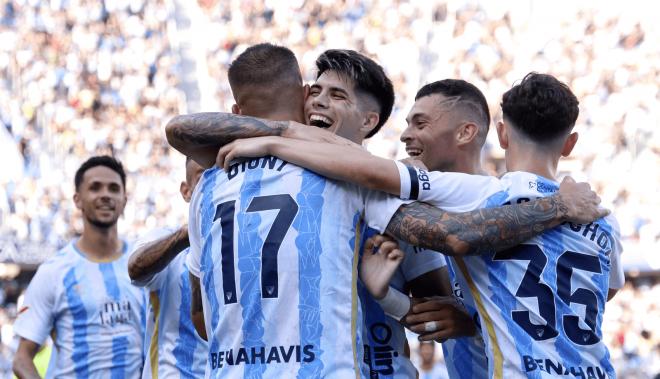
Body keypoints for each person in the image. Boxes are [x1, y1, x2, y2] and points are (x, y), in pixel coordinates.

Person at [167, 44, 607, 378]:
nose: (319, 101)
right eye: (314, 92)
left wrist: (439, 312)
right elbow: (459, 237)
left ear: (369, 121)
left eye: (337, 95)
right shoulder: (343, 185)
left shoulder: (214, 187)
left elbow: (439, 306)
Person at [12, 156, 146, 379]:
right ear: (77, 199)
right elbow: (21, 359)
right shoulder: (54, 272)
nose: (105, 195)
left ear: (124, 199)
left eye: (113, 188)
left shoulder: (144, 265)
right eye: (95, 188)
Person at [127, 157, 207, 378]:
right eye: (204, 178)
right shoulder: (166, 239)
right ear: (186, 191)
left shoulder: (241, 245)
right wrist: (189, 233)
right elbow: (135, 269)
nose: (214, 185)